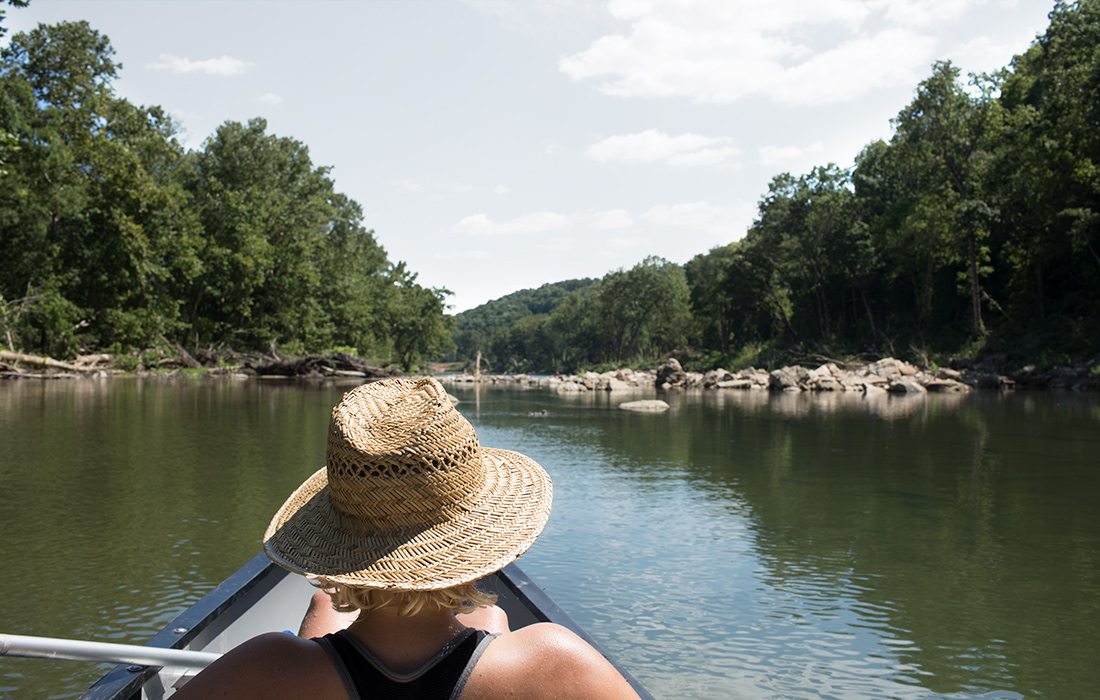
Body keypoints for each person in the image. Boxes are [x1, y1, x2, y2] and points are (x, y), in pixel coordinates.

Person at [175, 377, 639, 699]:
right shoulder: (554, 664)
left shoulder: (262, 669)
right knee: (492, 617)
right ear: (478, 538)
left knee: (321, 611)